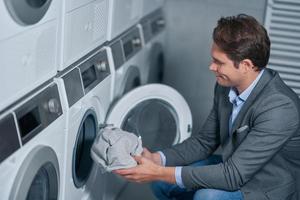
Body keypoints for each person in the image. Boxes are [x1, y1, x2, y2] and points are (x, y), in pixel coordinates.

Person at [114, 14, 300, 200]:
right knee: (161, 183)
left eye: (219, 62)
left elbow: (232, 175)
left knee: (207, 197)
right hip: (235, 167)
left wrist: (159, 172)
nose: (212, 67)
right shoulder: (225, 86)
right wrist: (157, 159)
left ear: (245, 65)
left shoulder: (280, 107)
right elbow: (205, 142)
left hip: (268, 187)